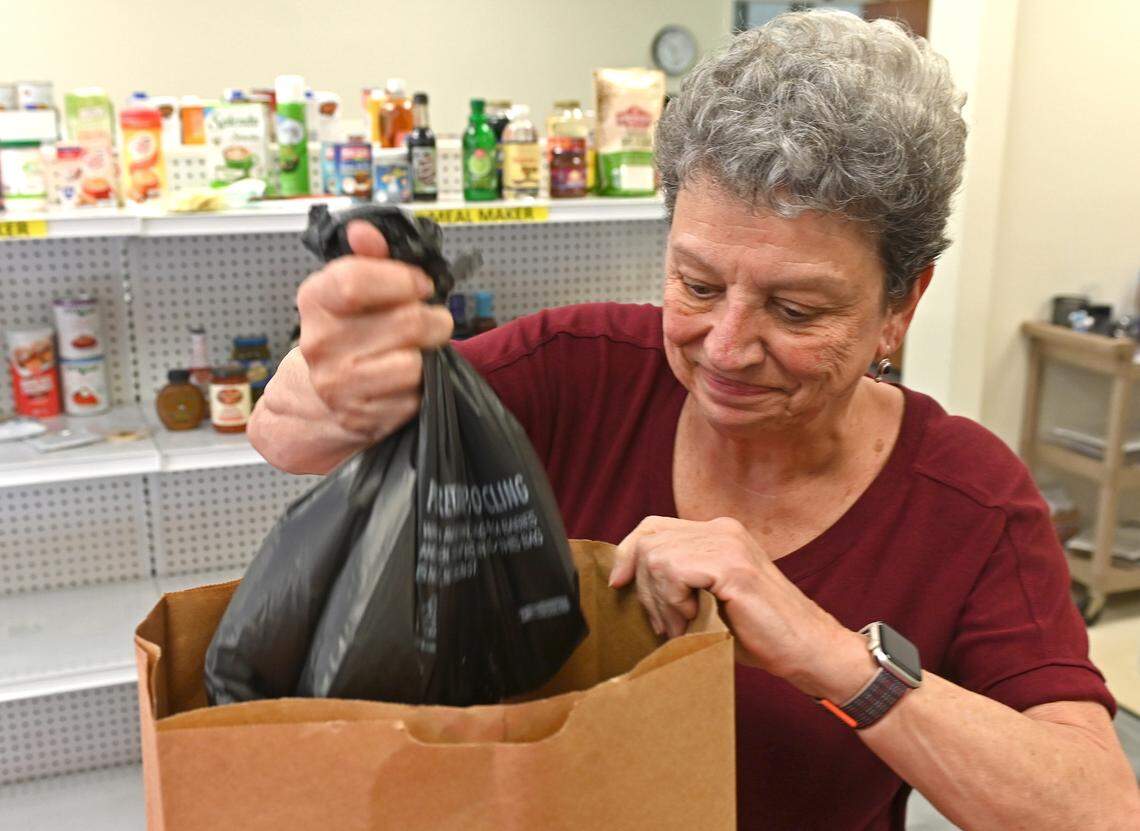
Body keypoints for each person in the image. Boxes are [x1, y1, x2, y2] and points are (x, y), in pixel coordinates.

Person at [249, 10, 1140, 830]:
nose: (725, 347)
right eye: (697, 284)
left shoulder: (967, 502)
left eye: (795, 311)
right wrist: (344, 364)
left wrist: (831, 656)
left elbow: (1096, 810)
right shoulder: (582, 368)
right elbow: (288, 438)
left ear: (901, 305)